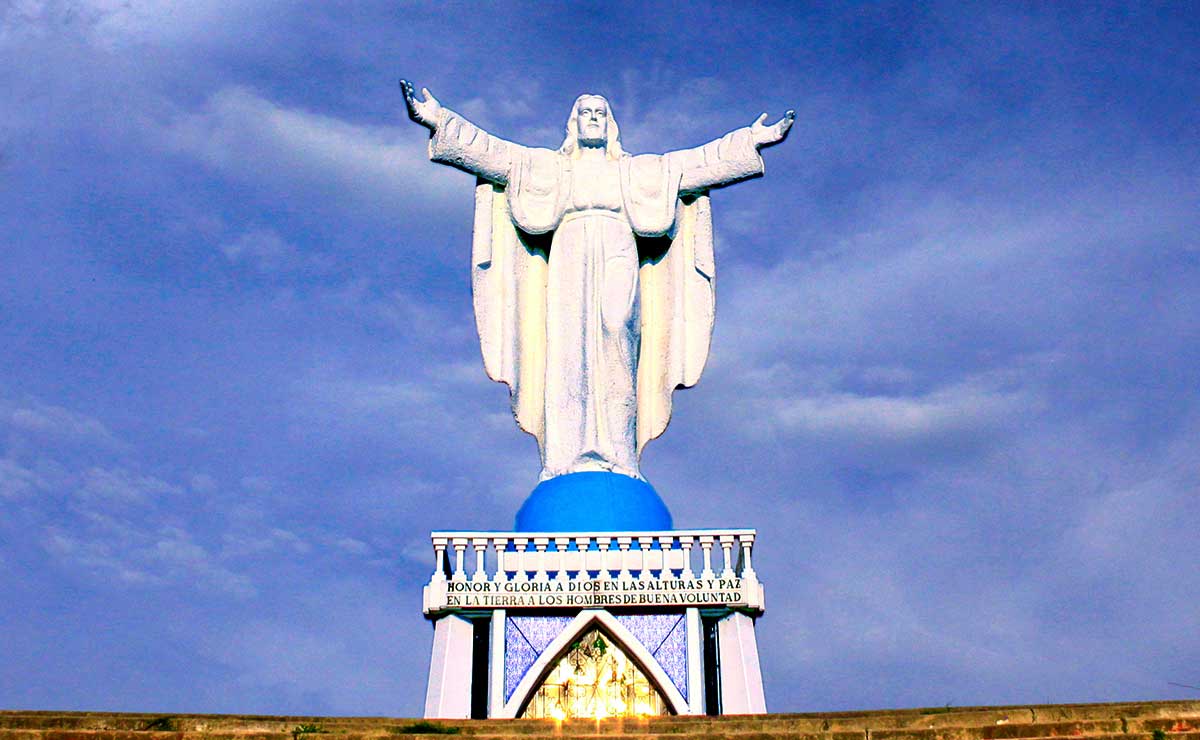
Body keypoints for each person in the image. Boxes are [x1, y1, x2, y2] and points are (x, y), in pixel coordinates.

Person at [402, 81, 793, 485]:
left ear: (611, 125)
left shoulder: (636, 171)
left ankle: (620, 454)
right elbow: (493, 153)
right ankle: (561, 456)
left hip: (617, 244)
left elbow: (692, 165)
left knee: (616, 333)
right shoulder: (549, 167)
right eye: (585, 113)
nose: (593, 119)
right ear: (573, 123)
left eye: (600, 113)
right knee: (566, 347)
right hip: (568, 249)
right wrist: (440, 120)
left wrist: (749, 140)